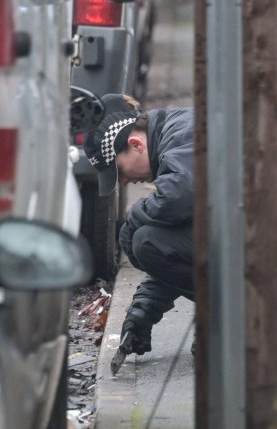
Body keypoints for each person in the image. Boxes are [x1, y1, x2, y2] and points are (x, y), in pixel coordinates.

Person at [83, 93, 195, 356]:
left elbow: (180, 195)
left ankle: (232, 320)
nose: (122, 183)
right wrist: (142, 311)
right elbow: (183, 248)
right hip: (263, 230)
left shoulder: (184, 134)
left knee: (145, 240)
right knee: (150, 237)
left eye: (119, 171)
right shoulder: (175, 133)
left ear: (135, 145)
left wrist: (133, 219)